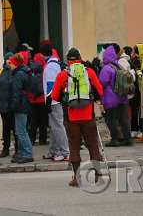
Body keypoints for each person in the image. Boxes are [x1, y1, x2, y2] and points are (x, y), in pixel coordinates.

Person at [50, 48, 104, 187]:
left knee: (74, 146)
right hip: (88, 116)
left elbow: (55, 97)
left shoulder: (63, 75)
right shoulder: (89, 72)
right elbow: (100, 91)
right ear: (80, 58)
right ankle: (98, 176)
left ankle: (77, 177)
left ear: (68, 60)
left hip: (71, 117)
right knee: (93, 145)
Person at [41, 42, 70, 161]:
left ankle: (65, 152)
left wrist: (48, 101)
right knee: (54, 126)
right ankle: (53, 151)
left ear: (42, 55)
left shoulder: (50, 66)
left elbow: (51, 86)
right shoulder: (54, 64)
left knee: (57, 126)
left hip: (53, 101)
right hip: (54, 100)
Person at [4, 54, 34, 163]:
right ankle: (22, 152)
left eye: (11, 63)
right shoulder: (23, 72)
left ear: (15, 63)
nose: (9, 65)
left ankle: (27, 153)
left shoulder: (18, 75)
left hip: (20, 106)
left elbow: (16, 93)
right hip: (23, 105)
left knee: (21, 131)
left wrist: (12, 106)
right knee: (20, 130)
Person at [99, 45, 132, 146]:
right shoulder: (118, 66)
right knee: (123, 118)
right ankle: (127, 138)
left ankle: (115, 139)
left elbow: (102, 82)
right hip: (122, 97)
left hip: (110, 98)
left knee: (111, 119)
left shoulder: (106, 68)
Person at [0, 54, 17, 158]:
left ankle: (18, 149)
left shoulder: (15, 71)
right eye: (8, 60)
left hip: (13, 105)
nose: (9, 62)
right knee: (6, 129)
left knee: (15, 128)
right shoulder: (0, 72)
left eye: (11, 60)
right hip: (3, 105)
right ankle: (6, 149)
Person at [28, 52, 48, 146]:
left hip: (33, 100)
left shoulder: (31, 72)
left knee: (33, 122)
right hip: (42, 100)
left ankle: (32, 139)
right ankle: (42, 139)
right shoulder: (44, 70)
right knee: (43, 121)